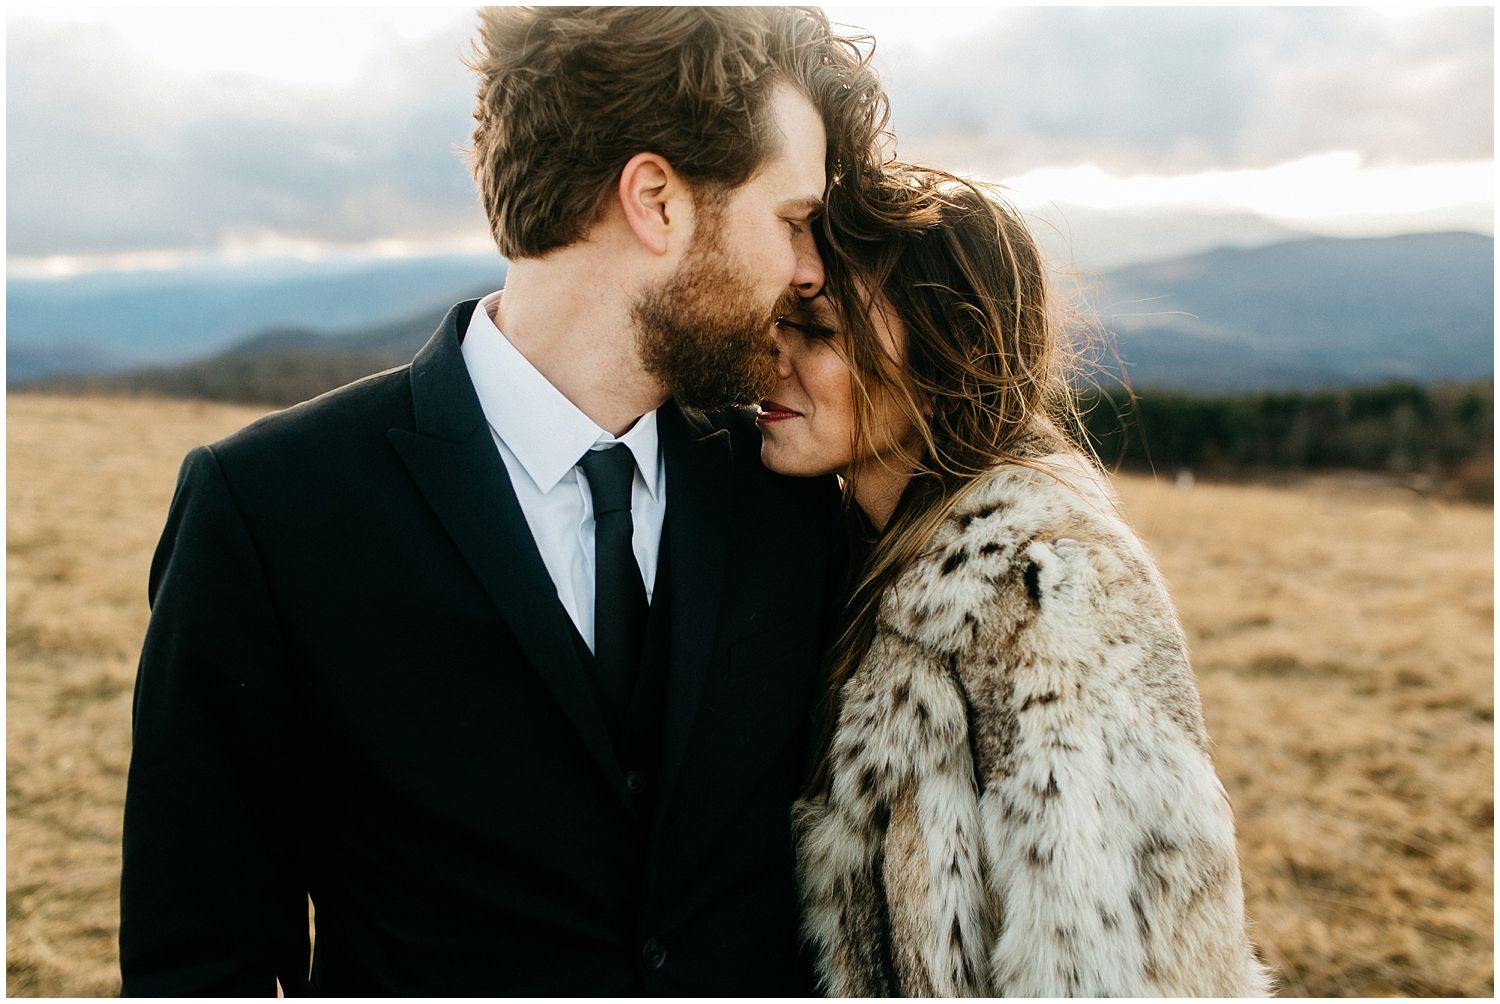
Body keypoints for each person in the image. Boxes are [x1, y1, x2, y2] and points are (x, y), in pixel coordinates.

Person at [119, 7, 888, 995]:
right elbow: (199, 962)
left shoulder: (787, 497)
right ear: (656, 199)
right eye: (791, 221)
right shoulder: (268, 511)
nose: (811, 268)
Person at [759, 166, 1272, 996]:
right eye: (777, 320)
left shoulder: (1041, 589)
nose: (770, 357)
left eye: (816, 332)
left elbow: (1110, 967)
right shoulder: (853, 553)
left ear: (944, 359)